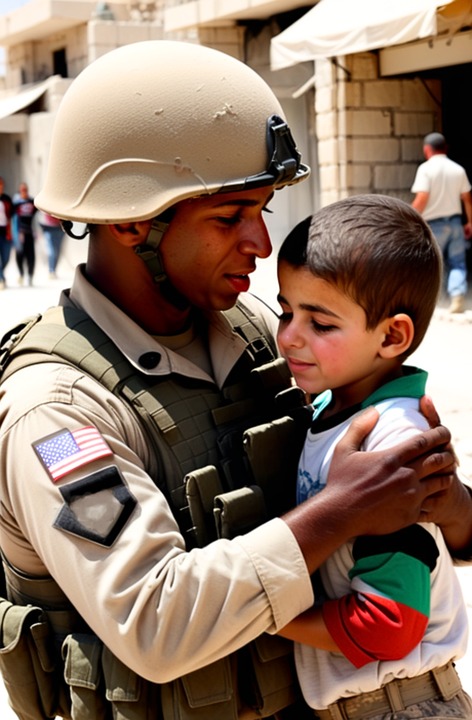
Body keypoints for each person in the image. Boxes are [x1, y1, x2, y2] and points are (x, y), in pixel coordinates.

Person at [0, 41, 469, 720]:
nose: (259, 243)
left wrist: (438, 494)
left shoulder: (255, 333)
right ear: (134, 221)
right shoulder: (58, 411)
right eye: (228, 217)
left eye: (262, 211)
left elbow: (416, 533)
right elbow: (155, 622)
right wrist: (341, 508)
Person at [276, 195, 472, 719]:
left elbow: (389, 624)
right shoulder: (329, 407)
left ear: (392, 336)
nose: (289, 336)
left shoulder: (388, 441)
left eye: (319, 323)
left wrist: (258, 611)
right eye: (285, 311)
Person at [411, 131, 472, 313]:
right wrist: (470, 222)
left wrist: (409, 216)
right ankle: (456, 297)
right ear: (445, 148)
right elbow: (467, 198)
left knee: (432, 264)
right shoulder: (458, 169)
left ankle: (432, 301)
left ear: (427, 150)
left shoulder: (425, 169)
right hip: (455, 223)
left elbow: (422, 197)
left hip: (433, 225)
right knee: (458, 262)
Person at [12, 181, 37, 286]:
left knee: (31, 255)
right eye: (22, 190)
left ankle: (30, 275)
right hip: (19, 233)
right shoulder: (16, 203)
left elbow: (39, 209)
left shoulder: (32, 202)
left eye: (25, 190)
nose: (24, 192)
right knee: (19, 255)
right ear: (19, 191)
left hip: (29, 233)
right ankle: (21, 274)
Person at [39, 210, 65, 278]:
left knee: (57, 250)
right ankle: (51, 270)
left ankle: (54, 269)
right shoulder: (45, 203)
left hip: (59, 228)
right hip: (49, 229)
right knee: (52, 251)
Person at [0, 176, 13, 290]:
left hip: (5, 231)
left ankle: (1, 274)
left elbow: (11, 217)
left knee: (6, 257)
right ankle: (1, 279)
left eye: (1, 185)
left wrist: (10, 232)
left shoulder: (7, 199)